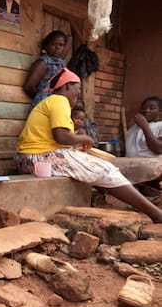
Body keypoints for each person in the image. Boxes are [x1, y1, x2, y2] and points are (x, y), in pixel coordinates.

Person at [15, 68, 162, 223]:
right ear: (66, 86)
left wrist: (76, 146)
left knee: (95, 168)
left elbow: (56, 139)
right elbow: (61, 136)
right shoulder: (59, 101)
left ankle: (136, 205)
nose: (78, 95)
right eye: (77, 90)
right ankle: (155, 214)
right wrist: (84, 140)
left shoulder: (50, 102)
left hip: (30, 158)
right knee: (107, 170)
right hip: (39, 158)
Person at [23, 30, 72, 111]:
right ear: (46, 45)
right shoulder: (43, 63)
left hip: (55, 104)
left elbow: (70, 39)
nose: (58, 47)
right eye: (54, 44)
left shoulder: (59, 60)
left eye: (61, 45)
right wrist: (42, 96)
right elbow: (29, 86)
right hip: (44, 105)